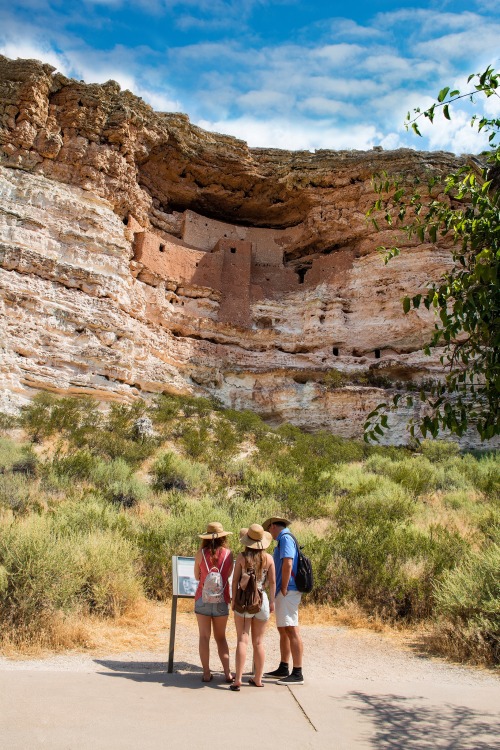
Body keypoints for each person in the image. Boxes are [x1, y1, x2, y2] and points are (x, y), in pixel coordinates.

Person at [230, 524, 276, 691]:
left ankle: (238, 679)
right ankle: (258, 678)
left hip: (244, 602)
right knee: (258, 642)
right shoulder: (268, 559)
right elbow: (272, 582)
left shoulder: (242, 558)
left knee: (242, 639)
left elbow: (235, 581)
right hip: (261, 600)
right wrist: (272, 602)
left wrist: (233, 600)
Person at [262, 516, 304, 685]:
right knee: (284, 629)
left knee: (291, 629)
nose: (269, 533)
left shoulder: (285, 538)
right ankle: (284, 666)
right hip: (284, 590)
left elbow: (288, 562)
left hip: (288, 590)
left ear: (273, 526)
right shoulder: (283, 539)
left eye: (269, 529)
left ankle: (297, 672)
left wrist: (284, 587)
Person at [194, 521, 234, 683]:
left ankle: (206, 673)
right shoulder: (228, 554)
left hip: (202, 599)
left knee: (204, 636)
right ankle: (227, 673)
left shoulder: (200, 553)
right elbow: (228, 575)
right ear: (223, 537)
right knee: (221, 637)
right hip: (221, 599)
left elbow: (197, 576)